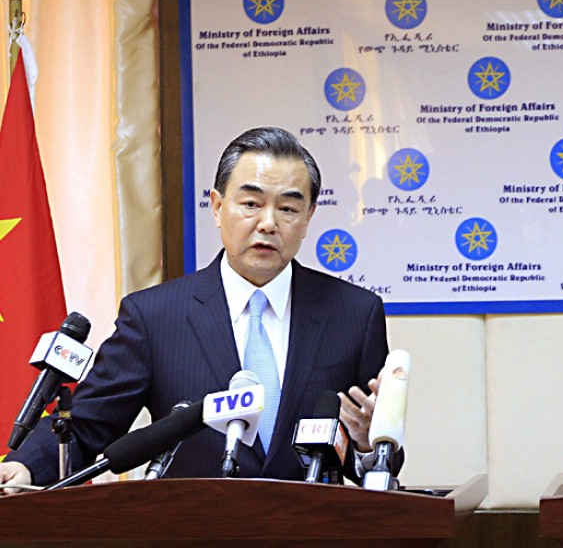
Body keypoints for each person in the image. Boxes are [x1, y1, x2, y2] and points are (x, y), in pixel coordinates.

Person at [1, 127, 393, 490]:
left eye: (288, 209)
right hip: (191, 531)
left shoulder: (355, 314)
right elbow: (87, 424)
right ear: (217, 206)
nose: (268, 223)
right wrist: (27, 467)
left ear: (308, 218)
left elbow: (382, 453)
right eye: (251, 203)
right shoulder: (155, 317)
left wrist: (366, 448)